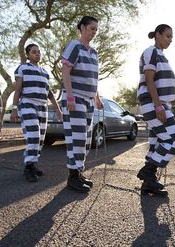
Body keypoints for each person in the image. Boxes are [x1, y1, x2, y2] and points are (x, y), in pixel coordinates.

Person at [137, 24, 175, 197]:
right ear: (157, 35)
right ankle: (148, 172)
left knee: (156, 144)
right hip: (153, 103)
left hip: (162, 104)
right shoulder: (151, 52)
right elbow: (150, 81)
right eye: (167, 36)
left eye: (172, 37)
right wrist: (158, 106)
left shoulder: (162, 56)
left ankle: (148, 184)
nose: (170, 40)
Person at [61, 16, 102, 192]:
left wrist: (97, 97)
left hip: (88, 100)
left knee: (85, 139)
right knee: (76, 138)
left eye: (96, 29)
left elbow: (94, 78)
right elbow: (65, 70)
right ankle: (72, 177)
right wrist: (70, 96)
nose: (94, 32)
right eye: (92, 28)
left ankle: (78, 172)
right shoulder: (74, 46)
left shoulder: (93, 53)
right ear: (83, 28)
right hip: (75, 97)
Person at [11, 43, 62, 182]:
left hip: (42, 106)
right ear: (28, 55)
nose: (37, 54)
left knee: (40, 138)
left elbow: (49, 92)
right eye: (34, 52)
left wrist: (57, 108)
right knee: (33, 135)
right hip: (28, 103)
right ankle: (28, 167)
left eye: (39, 51)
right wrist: (14, 108)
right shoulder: (23, 68)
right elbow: (18, 89)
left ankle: (33, 164)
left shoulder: (45, 72)